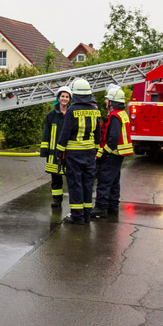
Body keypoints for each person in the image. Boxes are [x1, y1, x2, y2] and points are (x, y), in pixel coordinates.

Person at [55, 78, 101, 225]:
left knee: (75, 184)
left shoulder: (72, 111)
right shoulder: (95, 111)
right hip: (89, 154)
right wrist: (96, 151)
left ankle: (77, 216)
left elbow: (65, 133)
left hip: (73, 154)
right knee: (88, 184)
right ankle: (87, 214)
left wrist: (59, 153)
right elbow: (98, 134)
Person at [91, 87, 134, 219]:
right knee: (114, 181)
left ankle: (101, 207)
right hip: (119, 153)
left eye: (107, 99)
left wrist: (105, 153)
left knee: (104, 180)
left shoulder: (115, 116)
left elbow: (113, 138)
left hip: (113, 153)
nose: (105, 101)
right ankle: (112, 207)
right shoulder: (122, 114)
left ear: (111, 102)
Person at [40, 86, 71, 208]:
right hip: (54, 152)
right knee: (56, 178)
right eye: (62, 96)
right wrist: (44, 149)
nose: (64, 99)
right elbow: (46, 133)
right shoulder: (51, 115)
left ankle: (74, 201)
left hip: (69, 151)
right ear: (58, 98)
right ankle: (57, 200)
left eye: (67, 97)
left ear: (70, 99)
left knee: (71, 177)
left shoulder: (72, 113)